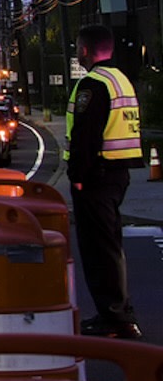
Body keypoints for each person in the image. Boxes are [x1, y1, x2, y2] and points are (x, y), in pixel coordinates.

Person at [65, 23, 144, 340]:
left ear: (85, 50)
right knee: (110, 246)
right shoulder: (121, 80)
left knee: (98, 250)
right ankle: (117, 312)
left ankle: (113, 317)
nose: (77, 54)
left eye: (78, 48)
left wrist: (78, 177)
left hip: (96, 176)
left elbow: (86, 136)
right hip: (117, 173)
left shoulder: (93, 84)